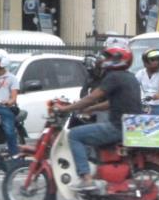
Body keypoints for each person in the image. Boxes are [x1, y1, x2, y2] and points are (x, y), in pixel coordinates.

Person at [54, 46, 143, 191]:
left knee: (75, 135)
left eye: (108, 57)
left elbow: (92, 97)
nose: (104, 60)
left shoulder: (114, 77)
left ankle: (86, 178)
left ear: (117, 60)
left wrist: (66, 108)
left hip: (116, 127)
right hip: (129, 126)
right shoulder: (129, 77)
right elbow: (113, 102)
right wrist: (91, 109)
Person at [136, 48, 159, 115]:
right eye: (153, 60)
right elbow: (133, 85)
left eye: (158, 59)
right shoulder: (140, 73)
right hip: (145, 106)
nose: (157, 62)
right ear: (145, 62)